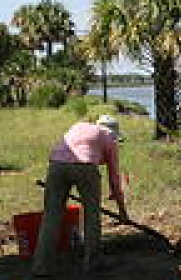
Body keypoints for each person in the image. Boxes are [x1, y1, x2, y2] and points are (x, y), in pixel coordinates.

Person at [32, 115, 129, 277]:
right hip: (85, 167)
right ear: (114, 133)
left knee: (51, 216)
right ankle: (93, 261)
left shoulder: (79, 126)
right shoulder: (109, 138)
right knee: (92, 215)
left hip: (56, 165)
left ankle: (41, 266)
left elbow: (69, 149)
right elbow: (114, 180)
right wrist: (122, 212)